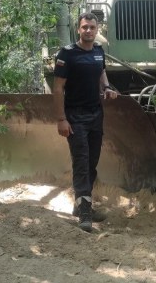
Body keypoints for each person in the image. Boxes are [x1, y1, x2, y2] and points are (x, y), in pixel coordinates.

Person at [53, 12, 118, 232]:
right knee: (81, 162)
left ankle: (81, 204)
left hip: (96, 115)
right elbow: (58, 87)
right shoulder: (67, 54)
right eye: (84, 27)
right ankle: (85, 213)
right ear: (78, 30)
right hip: (75, 117)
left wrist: (107, 87)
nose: (88, 30)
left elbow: (101, 72)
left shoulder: (99, 52)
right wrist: (61, 119)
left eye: (92, 27)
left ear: (97, 29)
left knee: (91, 162)